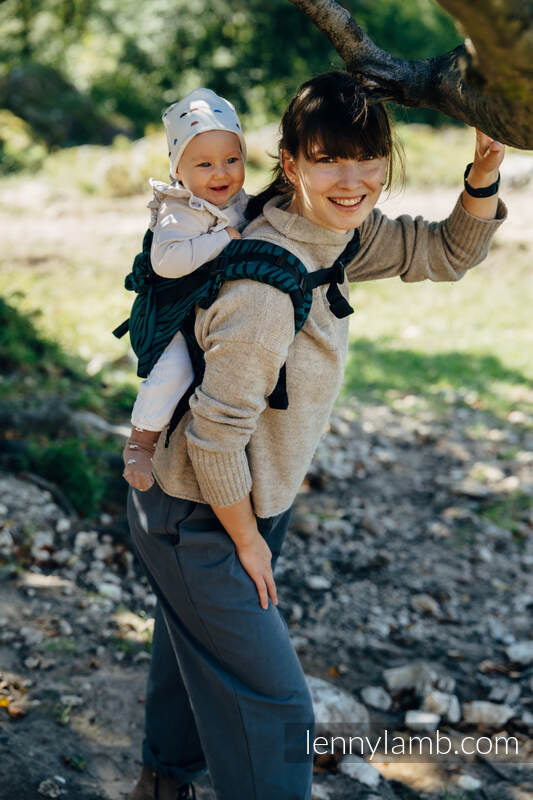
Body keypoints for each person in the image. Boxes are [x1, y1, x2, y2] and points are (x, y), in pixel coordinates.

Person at [126, 71, 506, 800]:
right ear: (290, 161)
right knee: (275, 709)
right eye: (329, 159)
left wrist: (481, 176)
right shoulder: (265, 290)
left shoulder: (332, 235)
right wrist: (245, 539)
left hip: (239, 500)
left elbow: (446, 253)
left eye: (367, 159)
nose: (353, 179)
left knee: (194, 651)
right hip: (198, 512)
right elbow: (212, 440)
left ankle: (160, 785)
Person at [123, 88, 248, 492]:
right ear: (180, 170)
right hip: (170, 313)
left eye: (232, 160)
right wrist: (223, 238)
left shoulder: (237, 199)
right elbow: (168, 262)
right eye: (205, 164)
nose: (221, 173)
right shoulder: (179, 210)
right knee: (175, 371)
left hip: (204, 306)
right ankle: (140, 443)